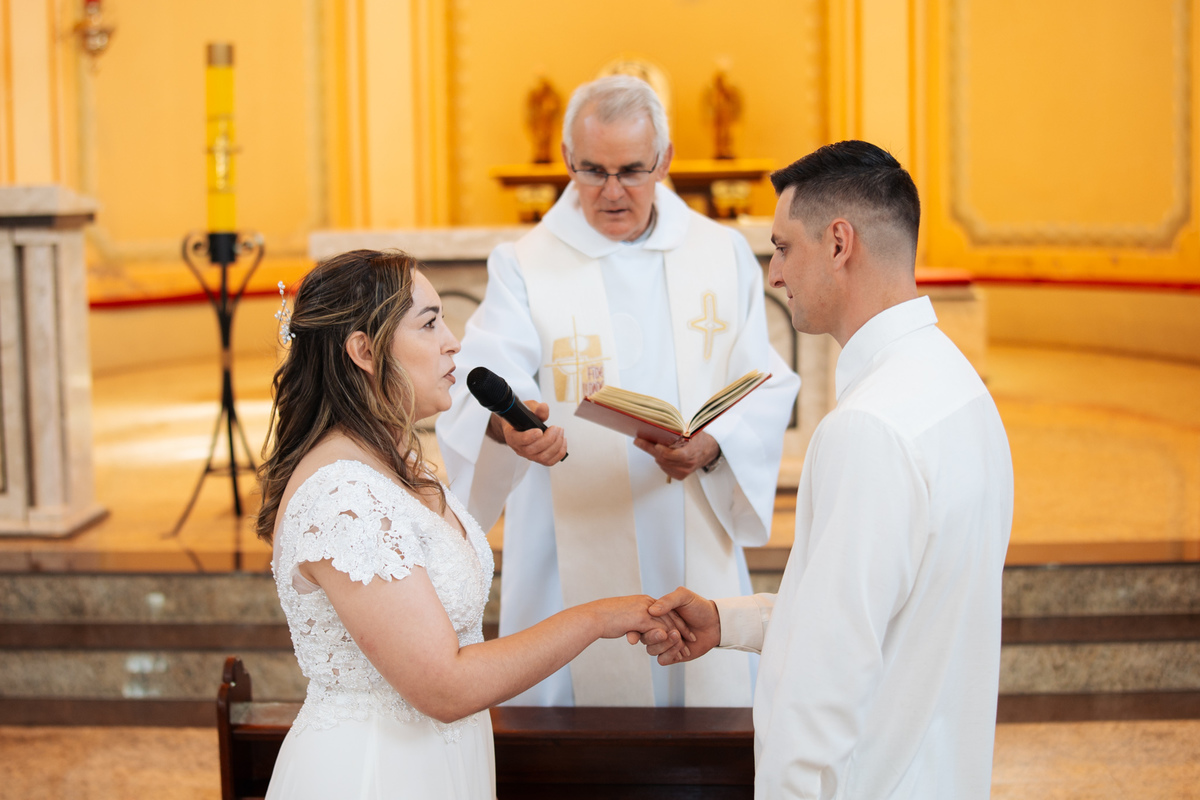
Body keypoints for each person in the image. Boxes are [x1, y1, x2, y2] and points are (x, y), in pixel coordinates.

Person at [642, 141, 1014, 799]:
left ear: (839, 243)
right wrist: (730, 622)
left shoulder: (866, 427)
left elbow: (825, 675)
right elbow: (882, 607)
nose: (776, 275)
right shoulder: (958, 386)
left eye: (784, 247)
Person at [255, 249, 682, 799]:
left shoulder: (391, 462)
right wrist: (598, 617)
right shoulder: (343, 497)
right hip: (376, 772)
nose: (453, 341)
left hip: (440, 761)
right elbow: (445, 686)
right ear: (364, 349)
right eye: (429, 323)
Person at [435, 75, 800, 707]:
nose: (610, 192)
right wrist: (511, 426)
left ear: (664, 161)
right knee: (572, 729)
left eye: (631, 170)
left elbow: (765, 381)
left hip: (688, 516)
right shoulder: (525, 262)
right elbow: (484, 375)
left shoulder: (721, 254)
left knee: (702, 710)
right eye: (592, 170)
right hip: (569, 524)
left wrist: (714, 445)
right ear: (567, 159)